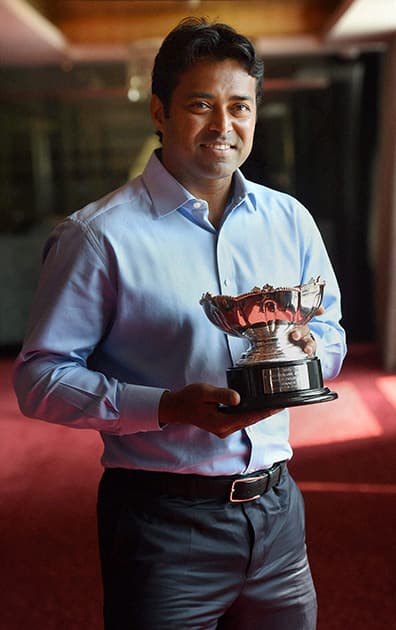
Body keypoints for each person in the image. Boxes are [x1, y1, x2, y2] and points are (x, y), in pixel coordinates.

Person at [13, 17, 346, 630]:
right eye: (201, 105)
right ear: (160, 113)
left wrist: (301, 359)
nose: (224, 126)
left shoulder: (289, 219)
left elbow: (329, 333)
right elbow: (39, 379)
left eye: (240, 106)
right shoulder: (99, 236)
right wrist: (169, 407)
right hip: (162, 523)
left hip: (277, 513)